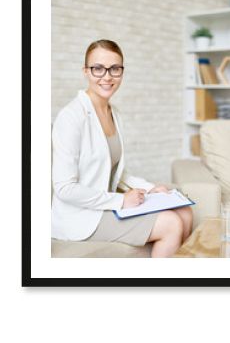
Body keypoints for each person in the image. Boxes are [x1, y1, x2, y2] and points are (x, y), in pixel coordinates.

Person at [51, 39, 193, 257]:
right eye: (98, 68)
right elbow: (65, 188)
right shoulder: (71, 117)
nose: (107, 76)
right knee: (171, 223)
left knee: (184, 212)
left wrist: (151, 188)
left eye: (115, 69)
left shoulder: (114, 113)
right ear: (86, 72)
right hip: (82, 216)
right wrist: (121, 200)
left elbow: (115, 170)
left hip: (105, 206)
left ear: (122, 72)